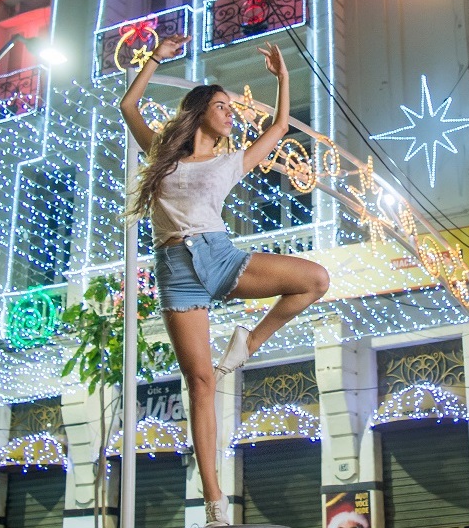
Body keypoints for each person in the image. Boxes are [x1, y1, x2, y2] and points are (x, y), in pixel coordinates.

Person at [120, 34, 330, 528]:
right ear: (198, 112)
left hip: (219, 255)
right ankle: (215, 504)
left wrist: (282, 78)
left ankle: (249, 342)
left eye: (231, 107)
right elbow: (128, 103)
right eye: (222, 105)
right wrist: (156, 58)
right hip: (175, 272)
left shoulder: (228, 162)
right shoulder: (161, 156)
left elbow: (279, 127)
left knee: (314, 279)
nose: (230, 113)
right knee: (200, 384)